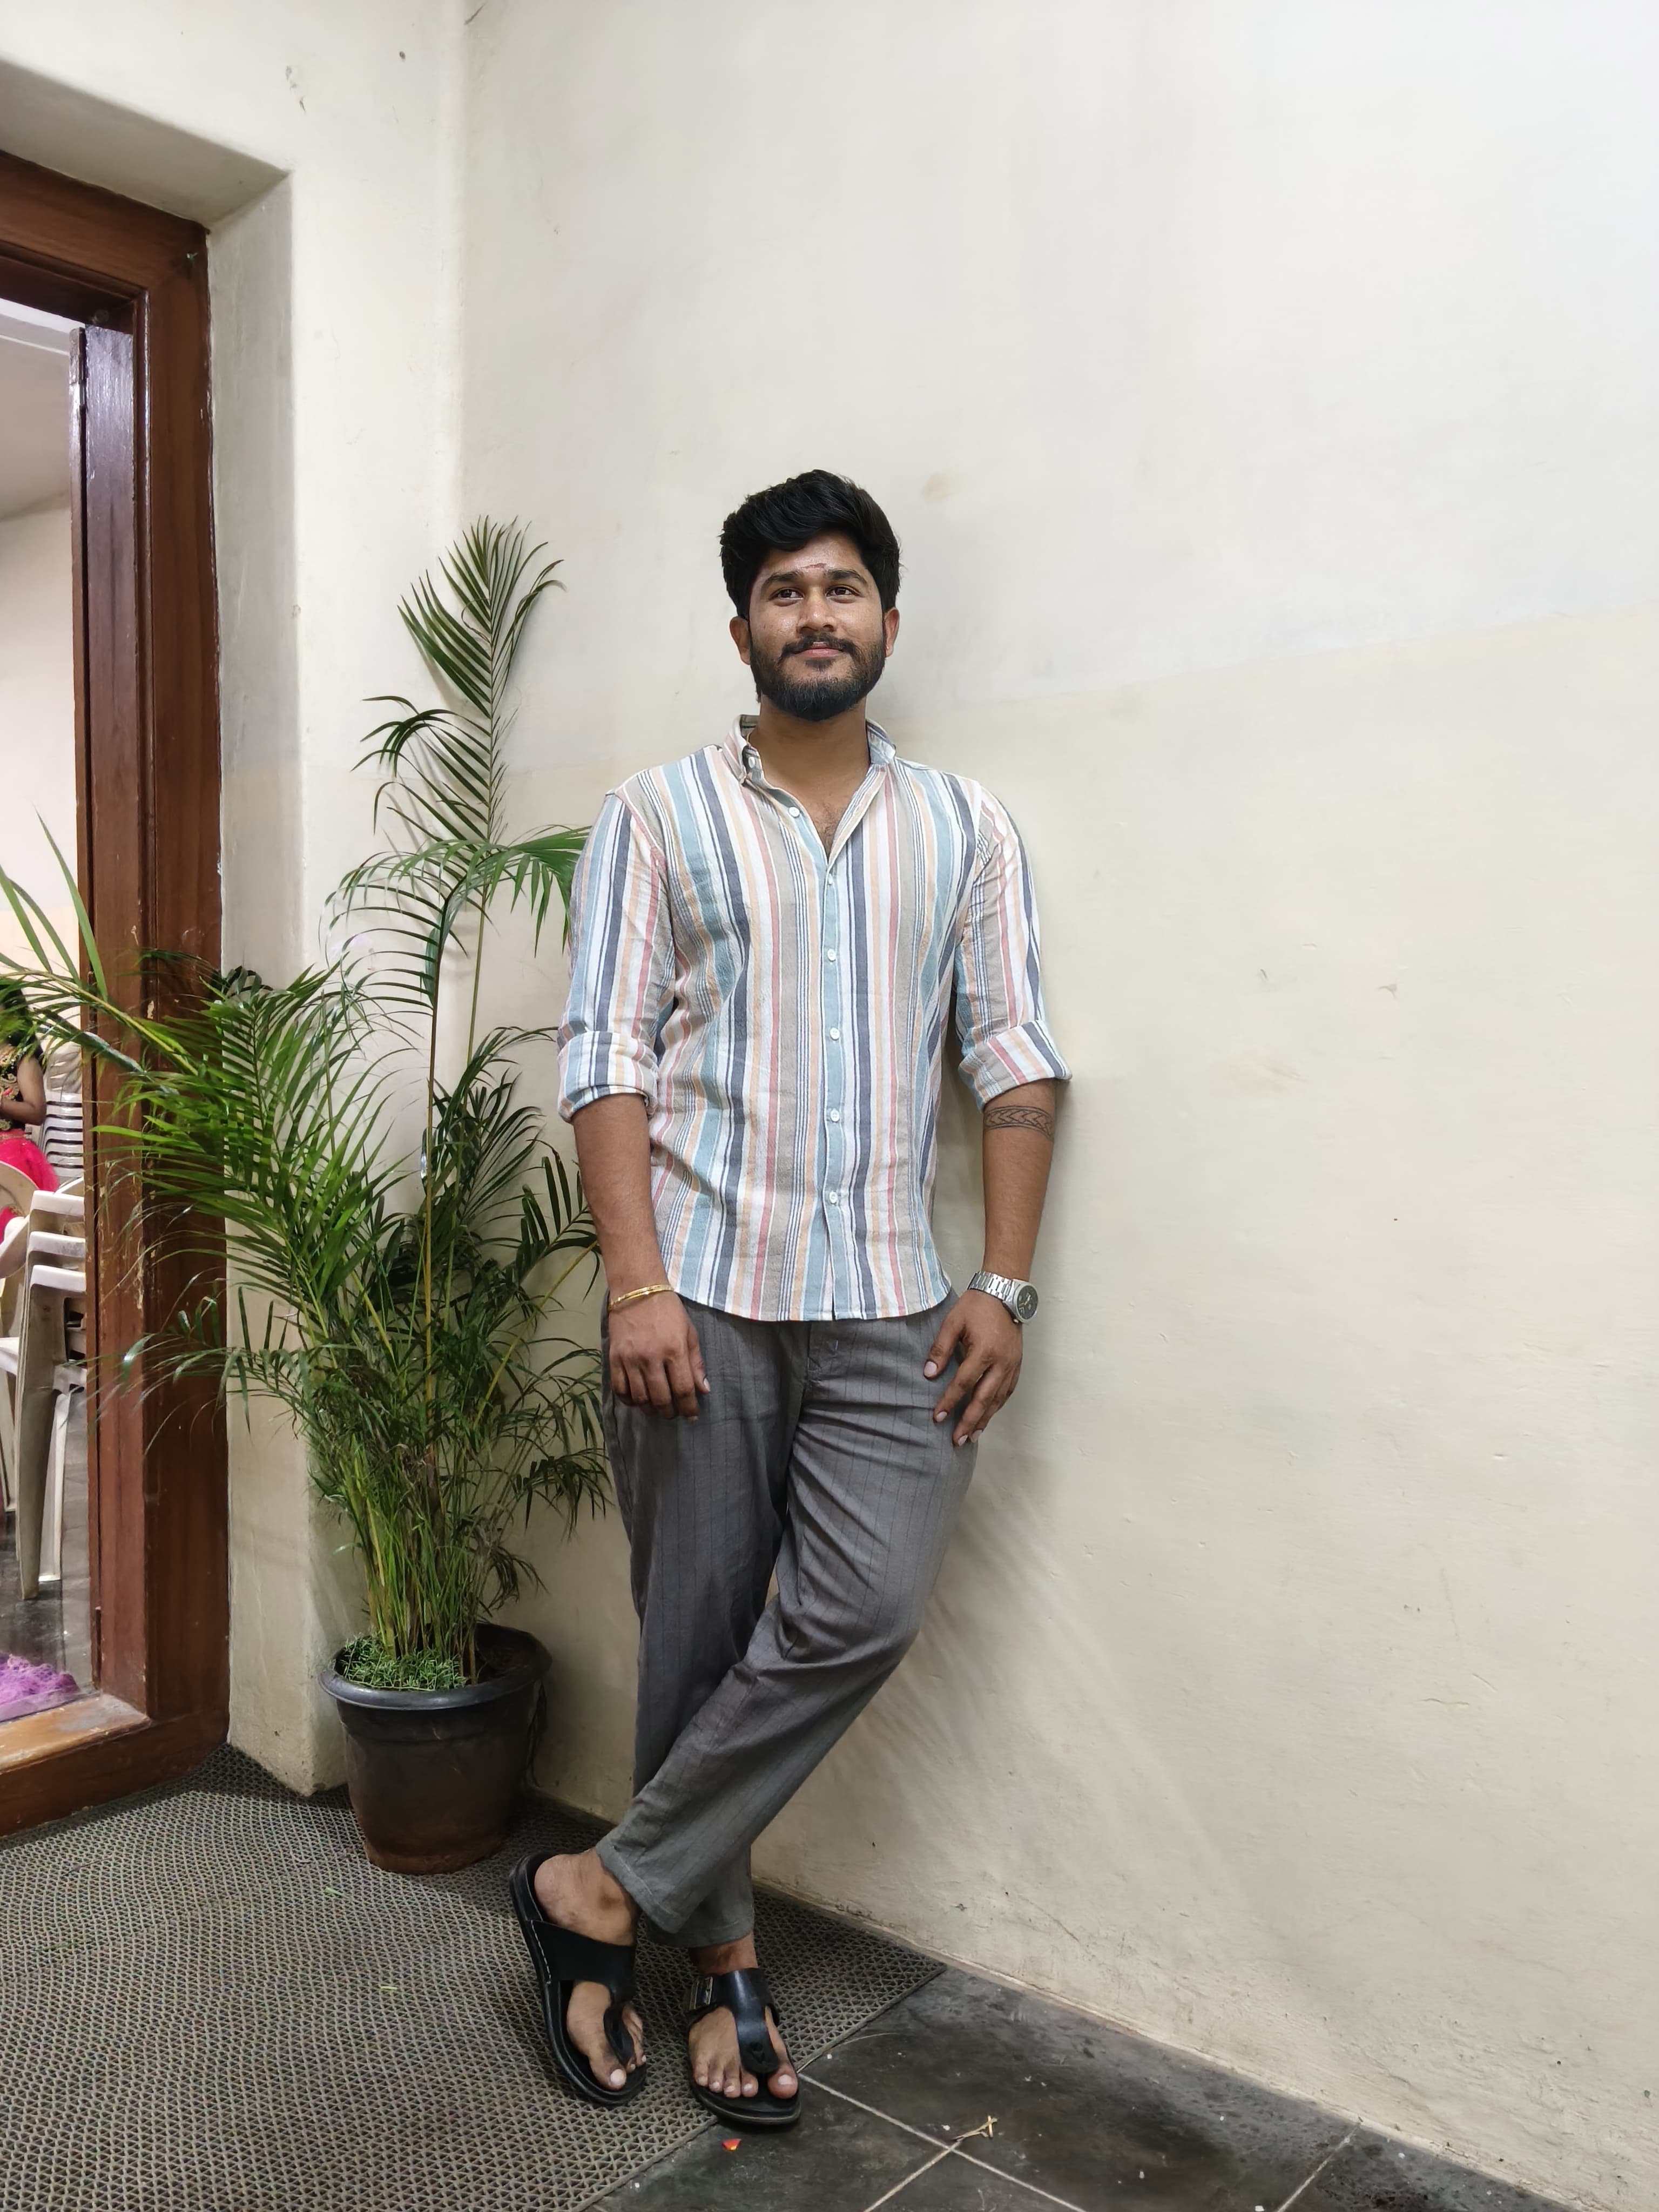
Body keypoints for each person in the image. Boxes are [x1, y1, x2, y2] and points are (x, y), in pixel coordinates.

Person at [511, 470, 1068, 2127]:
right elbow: (605, 1061)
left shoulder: (965, 829)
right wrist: (634, 1285)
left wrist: (1005, 1282)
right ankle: (725, 1966)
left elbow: (1014, 1058)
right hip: (696, 1290)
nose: (814, 615)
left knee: (859, 1611)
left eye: (840, 588)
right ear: (742, 625)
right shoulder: (656, 816)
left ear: (887, 619)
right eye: (783, 591)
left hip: (894, 1299)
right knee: (695, 1642)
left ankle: (598, 1891)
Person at [0, 983, 57, 1232]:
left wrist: (1, 1104)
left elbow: (37, 1112)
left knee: (12, 1228)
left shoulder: (22, 1057)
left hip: (9, 1152)